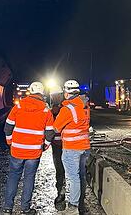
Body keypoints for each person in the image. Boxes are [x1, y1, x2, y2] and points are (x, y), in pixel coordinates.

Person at [2, 82, 55, 214]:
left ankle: (8, 208)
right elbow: (50, 132)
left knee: (13, 176)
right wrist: (45, 145)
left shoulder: (18, 106)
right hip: (34, 151)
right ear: (42, 93)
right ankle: (25, 209)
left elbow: (8, 127)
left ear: (30, 92)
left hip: (17, 150)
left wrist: (10, 142)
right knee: (29, 178)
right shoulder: (45, 110)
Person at [53, 80, 90, 214]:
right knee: (81, 176)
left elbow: (56, 127)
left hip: (72, 148)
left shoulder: (67, 109)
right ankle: (80, 203)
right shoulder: (85, 106)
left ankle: (73, 207)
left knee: (73, 178)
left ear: (67, 92)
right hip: (84, 147)